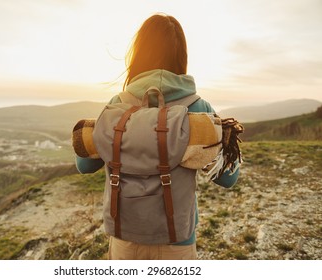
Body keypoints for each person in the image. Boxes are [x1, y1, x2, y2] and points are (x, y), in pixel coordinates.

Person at [75, 13, 240, 259]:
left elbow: (84, 164)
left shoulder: (117, 106)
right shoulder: (198, 108)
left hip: (125, 241)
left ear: (138, 54)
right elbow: (228, 178)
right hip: (178, 241)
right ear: (182, 57)